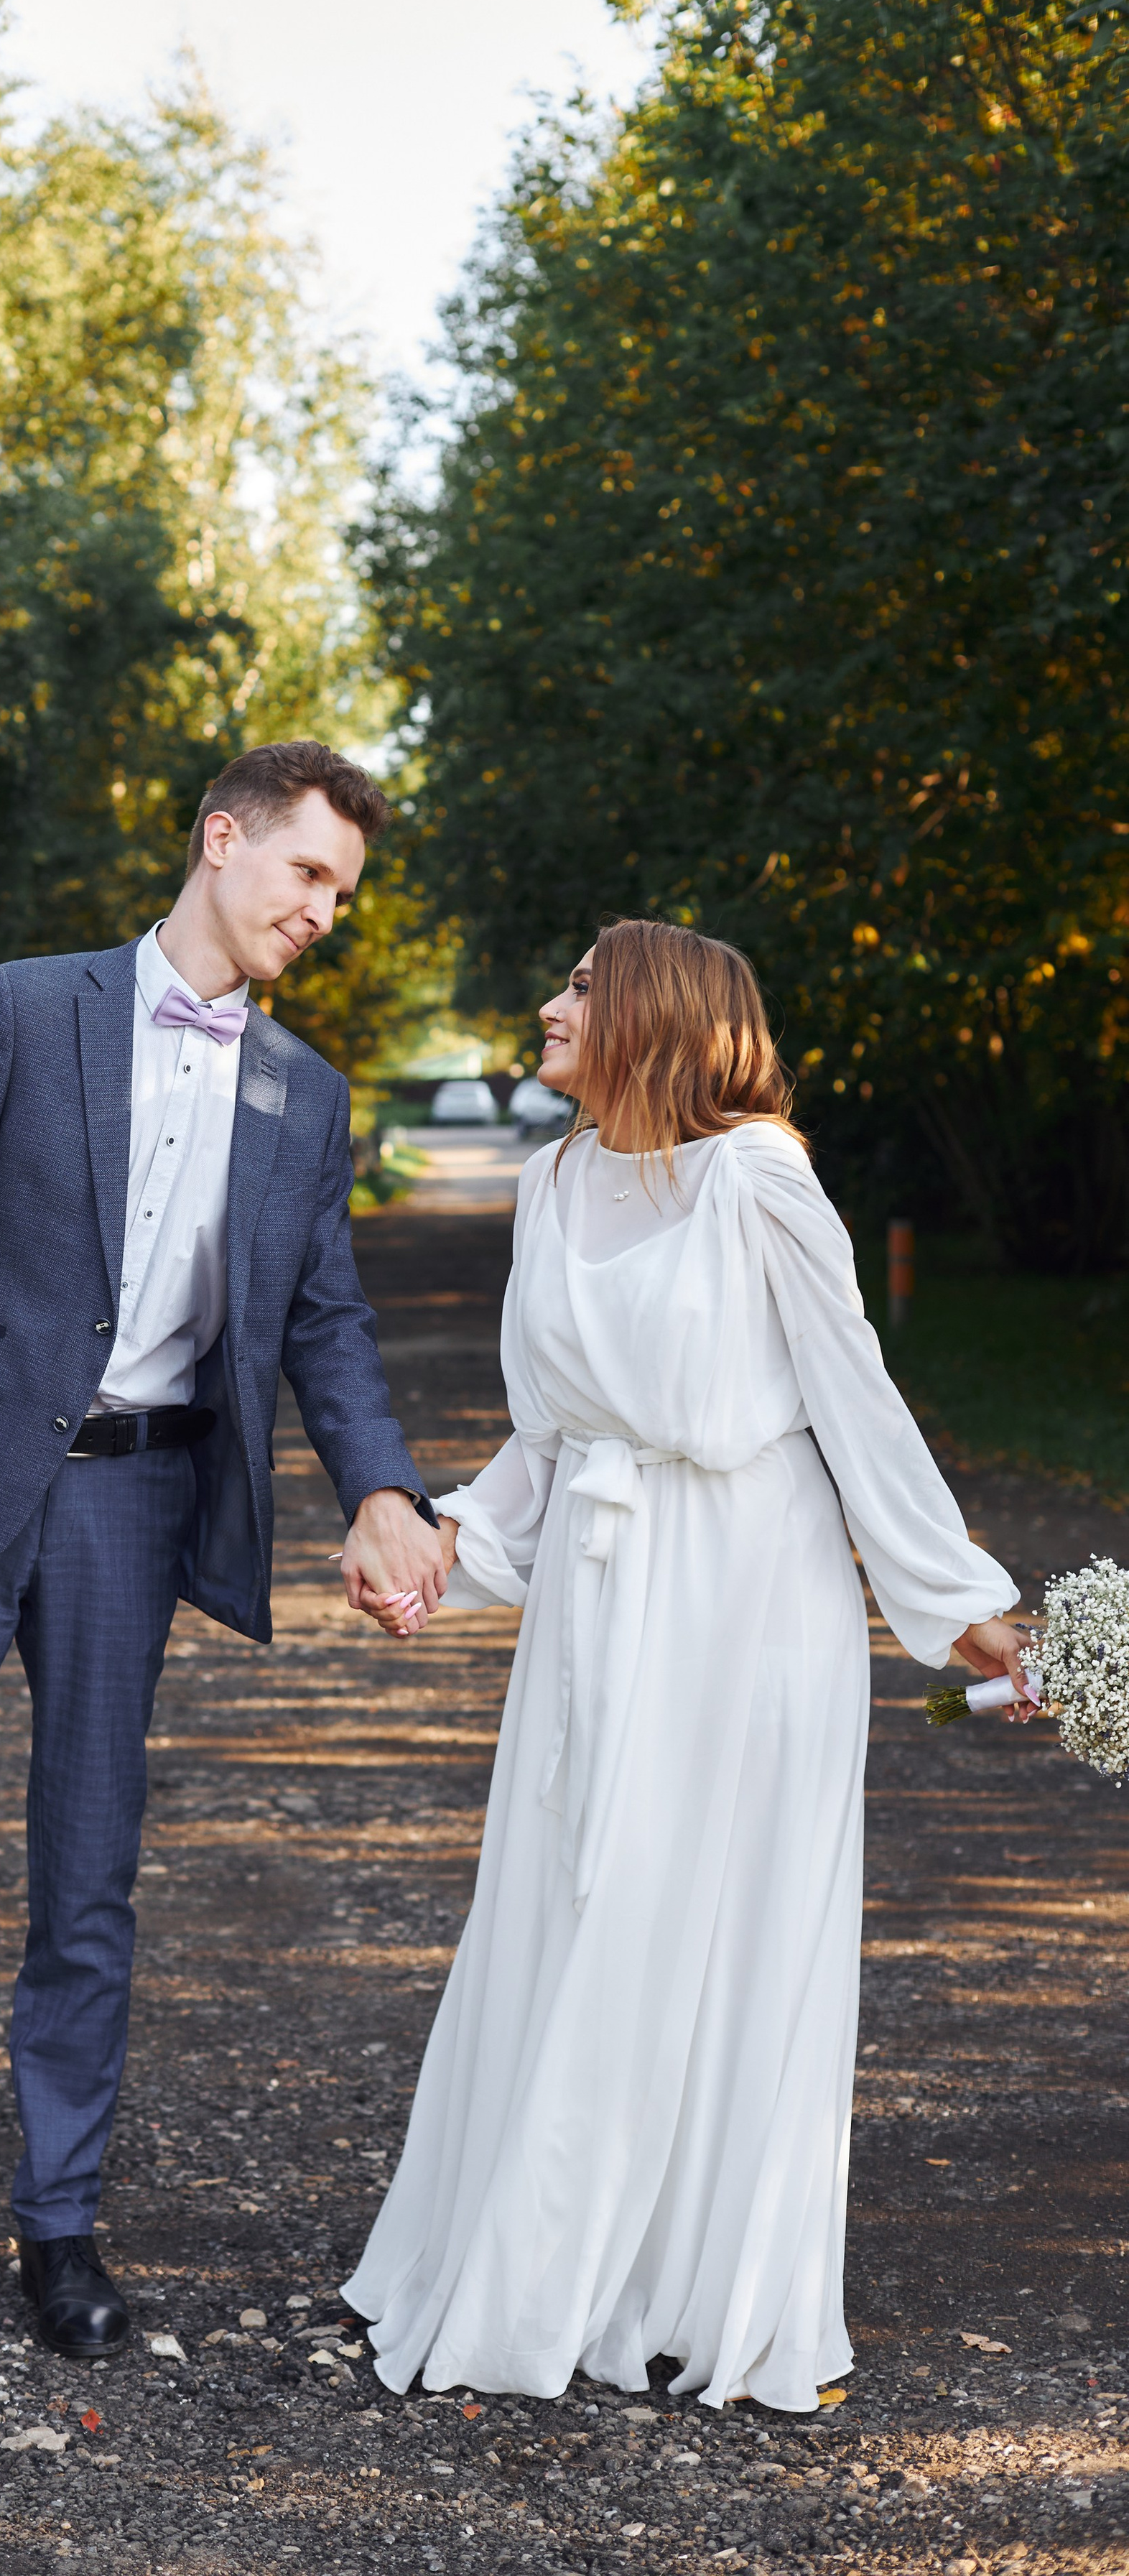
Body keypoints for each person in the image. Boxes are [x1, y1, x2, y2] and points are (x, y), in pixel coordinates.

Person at [0, 739, 446, 2361]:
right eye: (305, 873)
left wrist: (382, 1486)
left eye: (343, 891)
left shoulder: (302, 1095)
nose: (322, 911)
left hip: (132, 1503)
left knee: (86, 1870)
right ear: (218, 839)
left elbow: (323, 1323)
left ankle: (58, 2226)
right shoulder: (26, 1010)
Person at [343, 919, 1029, 2411]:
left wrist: (963, 1607)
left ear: (653, 1017)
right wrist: (443, 1546)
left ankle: (690, 2290)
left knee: (706, 1924)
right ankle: (536, 2262)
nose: (549, 1004)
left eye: (579, 986)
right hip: (596, 1609)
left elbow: (857, 1405)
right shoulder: (548, 1179)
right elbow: (546, 1432)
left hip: (745, 1600)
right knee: (566, 1900)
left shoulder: (757, 1179)